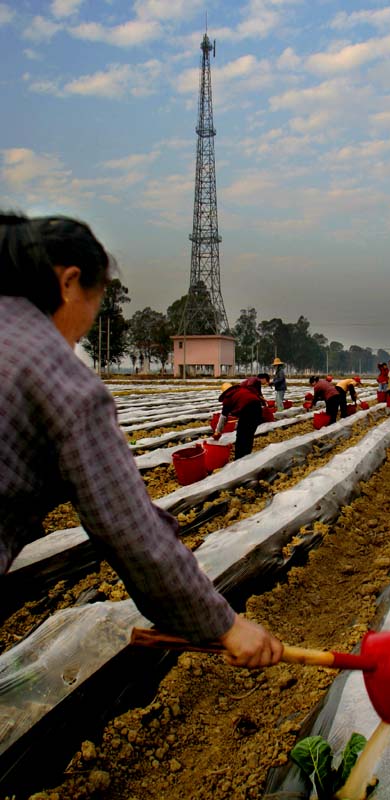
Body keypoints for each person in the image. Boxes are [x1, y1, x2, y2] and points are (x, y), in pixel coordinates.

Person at [0, 213, 282, 669]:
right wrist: (224, 624)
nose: (82, 335)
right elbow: (130, 530)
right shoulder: (59, 380)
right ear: (69, 282)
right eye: (93, 311)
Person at [213, 381, 263, 459]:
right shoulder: (242, 390)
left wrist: (218, 432)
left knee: (241, 435)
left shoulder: (228, 397)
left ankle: (239, 459)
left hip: (247, 411)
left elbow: (223, 417)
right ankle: (247, 456)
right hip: (258, 409)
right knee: (249, 434)